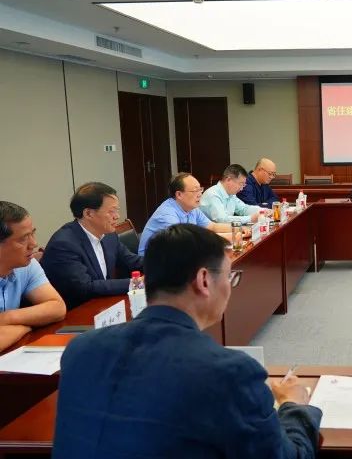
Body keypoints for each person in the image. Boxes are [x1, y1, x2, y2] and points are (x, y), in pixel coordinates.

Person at [52, 224, 321, 458]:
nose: (230, 286)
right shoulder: (229, 371)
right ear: (204, 280)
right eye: (230, 276)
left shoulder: (81, 349)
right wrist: (295, 406)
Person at [40, 183, 143, 310]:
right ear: (88, 213)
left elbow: (132, 261)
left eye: (117, 210)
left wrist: (163, 266)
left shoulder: (109, 235)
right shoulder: (63, 244)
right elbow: (85, 287)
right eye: (111, 211)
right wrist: (137, 283)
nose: (117, 216)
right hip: (75, 313)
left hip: (103, 306)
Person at [0, 202, 66, 351]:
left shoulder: (27, 265)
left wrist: (7, 318)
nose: (34, 244)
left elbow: (57, 307)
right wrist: (26, 326)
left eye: (32, 233)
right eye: (23, 239)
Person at [138, 173, 239, 255]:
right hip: (153, 264)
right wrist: (231, 237)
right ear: (179, 194)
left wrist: (240, 229)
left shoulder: (191, 208)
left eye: (200, 189)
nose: (200, 194)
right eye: (195, 190)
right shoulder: (167, 215)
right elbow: (184, 244)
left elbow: (212, 227)